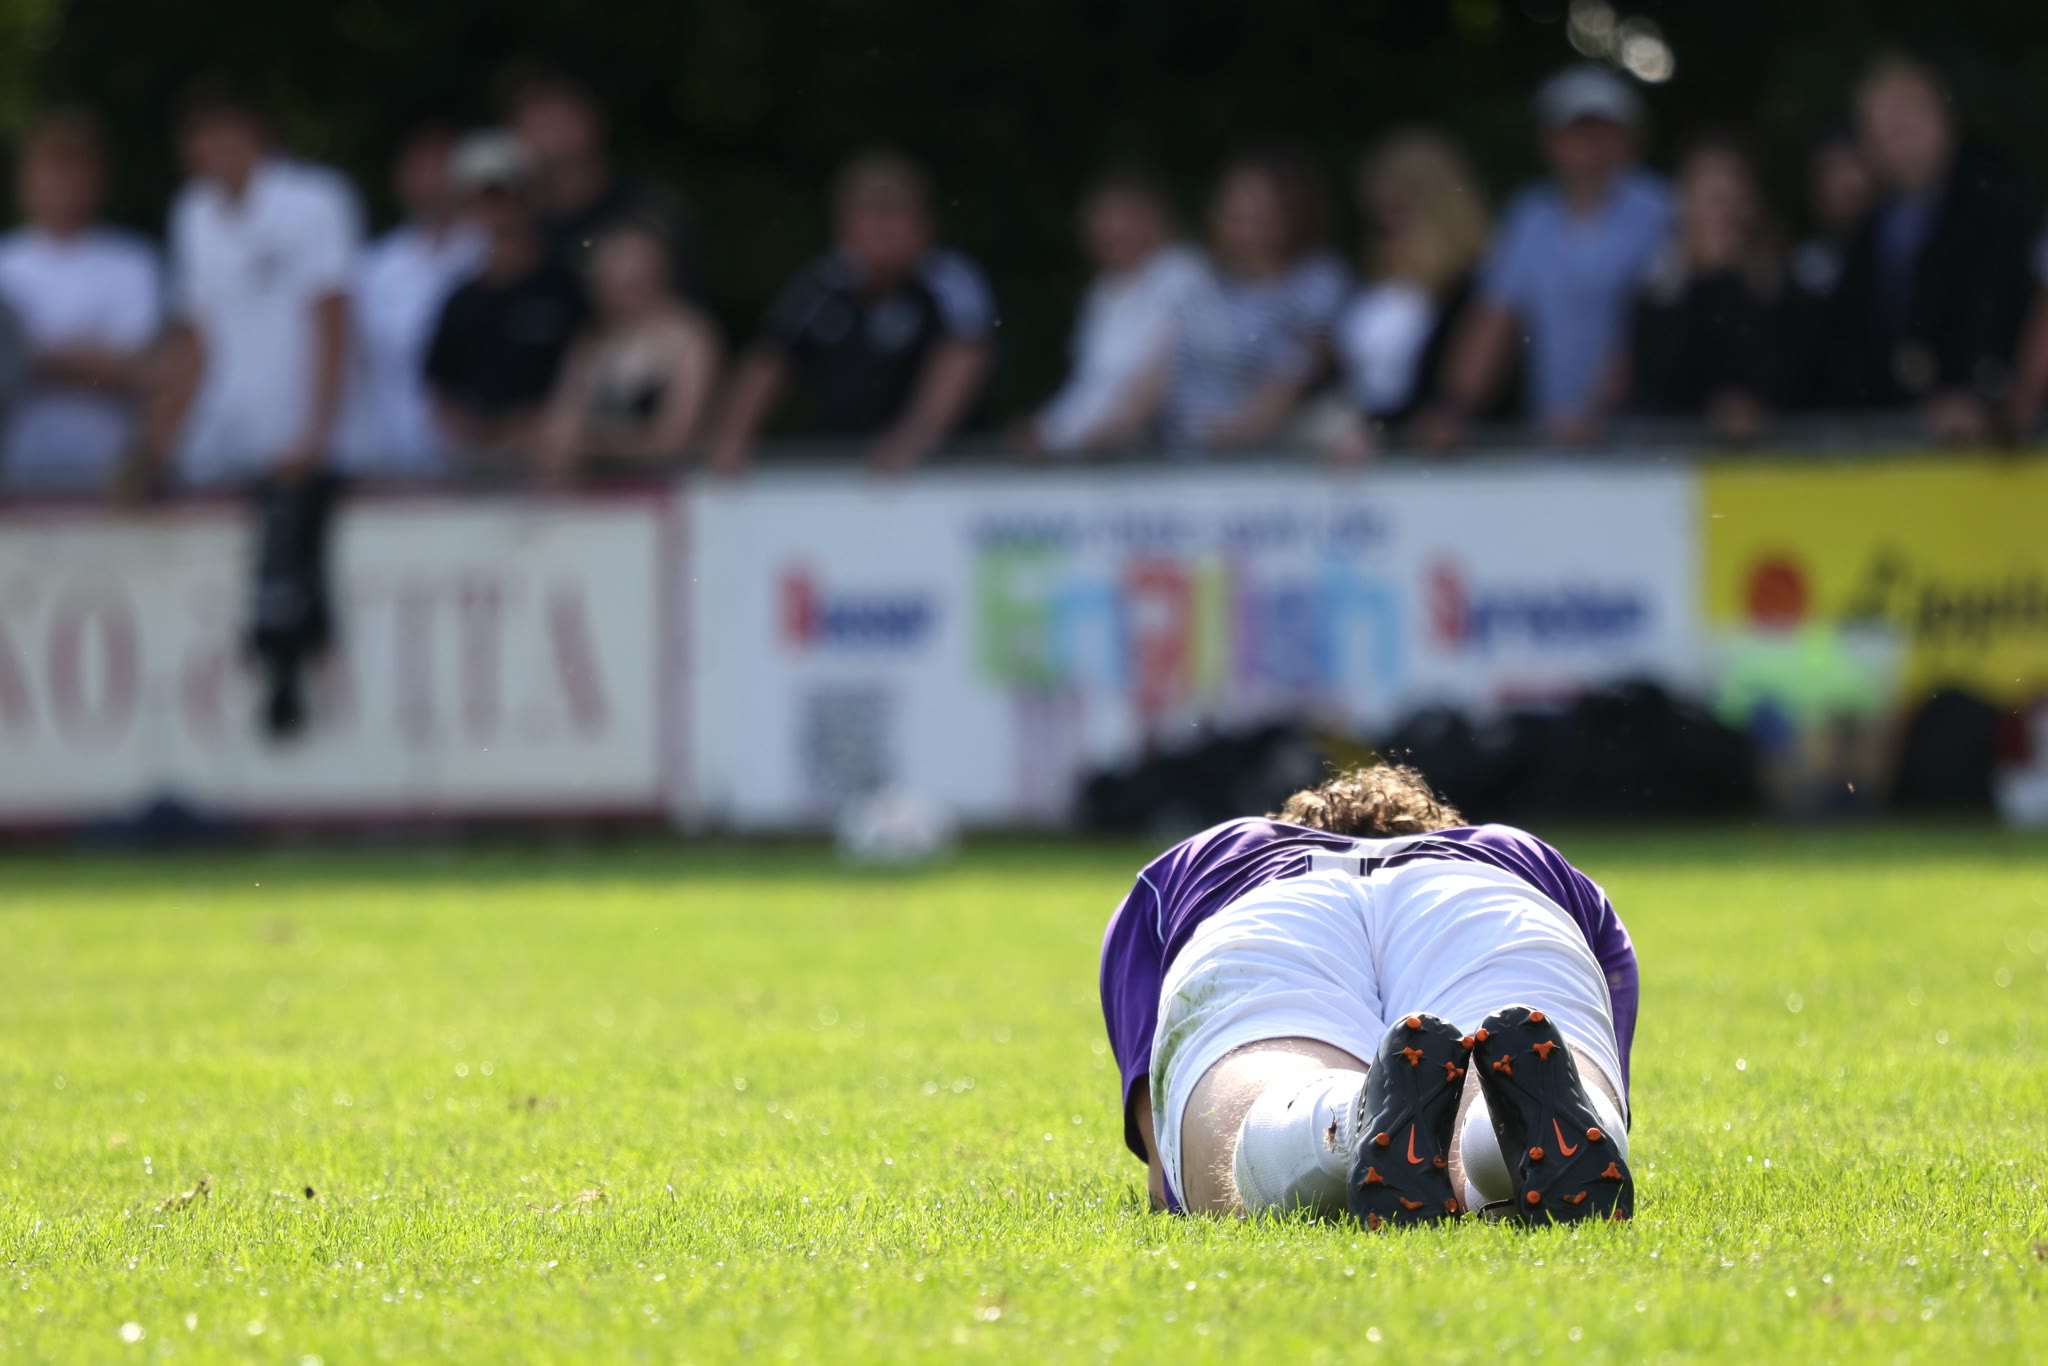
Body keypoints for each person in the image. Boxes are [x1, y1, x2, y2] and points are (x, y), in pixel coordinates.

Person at [1100, 764, 1636, 1226]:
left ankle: (1340, 1122)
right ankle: (1495, 1148)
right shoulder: (1524, 851)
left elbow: (1162, 1153)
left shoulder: (1204, 855)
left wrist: (1178, 1175)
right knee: (1521, 1084)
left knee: (1267, 1097)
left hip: (1266, 897)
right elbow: (1606, 1002)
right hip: (1483, 890)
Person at [1421, 64, 1671, 448]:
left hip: (1653, 445)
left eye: (1601, 130)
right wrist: (1454, 409)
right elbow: (1494, 321)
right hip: (1558, 438)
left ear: (1629, 138)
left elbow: (1652, 326)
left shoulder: (1661, 210)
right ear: (1549, 141)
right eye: (1576, 132)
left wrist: (1595, 413)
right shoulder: (1530, 218)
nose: (1589, 146)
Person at [705, 151, 994, 473]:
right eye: (870, 217)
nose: (882, 232)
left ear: (924, 224)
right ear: (842, 228)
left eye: (893, 216)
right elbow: (768, 359)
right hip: (836, 467)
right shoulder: (822, 284)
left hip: (940, 471)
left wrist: (916, 436)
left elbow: (962, 357)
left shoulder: (948, 279)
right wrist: (733, 433)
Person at [147, 81, 359, 489]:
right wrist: (159, 443)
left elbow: (334, 321)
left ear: (255, 132)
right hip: (224, 452)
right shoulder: (190, 213)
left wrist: (316, 438)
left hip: (309, 457)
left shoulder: (316, 200)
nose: (213, 145)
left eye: (223, 129)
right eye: (199, 134)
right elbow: (196, 337)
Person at [1814, 55, 2029, 441]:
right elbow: (1849, 338)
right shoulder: (1868, 230)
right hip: (1895, 436)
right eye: (1881, 130)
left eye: (1906, 122)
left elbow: (2001, 308)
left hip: (1989, 432)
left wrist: (1980, 392)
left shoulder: (1992, 204)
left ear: (1944, 121)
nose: (1897, 142)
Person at [0, 109, 161, 495]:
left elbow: (143, 371)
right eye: (49, 172)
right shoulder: (6, 262)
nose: (61, 186)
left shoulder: (132, 263)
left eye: (73, 172)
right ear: (24, 182)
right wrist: (83, 358)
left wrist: (30, 358)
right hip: (15, 471)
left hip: (111, 471)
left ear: (97, 181)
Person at [1155, 153, 1355, 451]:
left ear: (1290, 215)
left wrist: (1240, 431)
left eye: (1261, 217)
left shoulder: (1317, 279)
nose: (1247, 229)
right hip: (1185, 446)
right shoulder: (1195, 280)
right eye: (1237, 215)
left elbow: (1296, 368)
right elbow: (1158, 368)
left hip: (1278, 446)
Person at [1322, 131, 1491, 461]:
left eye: (1396, 210)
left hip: (1422, 450)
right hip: (1364, 444)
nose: (1385, 225)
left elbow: (1449, 390)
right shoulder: (1374, 278)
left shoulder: (1469, 285)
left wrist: (1381, 431)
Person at [422, 131, 587, 466]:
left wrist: (539, 427)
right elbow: (440, 388)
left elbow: (592, 366)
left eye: (501, 194)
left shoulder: (567, 286)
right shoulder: (460, 299)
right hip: (477, 468)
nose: (493, 209)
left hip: (560, 464)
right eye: (478, 198)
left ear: (530, 196)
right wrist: (477, 438)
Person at [1018, 166, 1204, 455]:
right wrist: (1046, 430)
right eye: (1101, 220)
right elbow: (1090, 386)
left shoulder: (1180, 276)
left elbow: (1161, 378)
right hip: (1093, 448)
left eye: (1121, 218)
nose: (1110, 229)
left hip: (1163, 450)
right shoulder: (1102, 290)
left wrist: (1090, 439)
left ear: (1151, 218)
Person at [339, 123, 486, 480]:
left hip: (480, 456)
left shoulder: (489, 253)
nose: (430, 184)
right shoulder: (373, 267)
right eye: (419, 171)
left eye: (440, 169)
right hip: (392, 456)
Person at [536, 215, 721, 482]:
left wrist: (588, 446)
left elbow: (676, 440)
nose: (619, 280)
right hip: (597, 491)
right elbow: (560, 425)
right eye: (611, 269)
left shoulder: (690, 337)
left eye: (632, 270)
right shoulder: (590, 344)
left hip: (672, 491)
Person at [1624, 138, 1788, 440]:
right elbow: (1655, 385)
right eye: (1708, 199)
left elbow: (1797, 378)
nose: (1719, 213)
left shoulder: (1782, 291)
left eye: (1728, 199)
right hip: (1677, 462)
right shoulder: (1657, 296)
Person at [503, 64, 705, 303]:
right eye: (533, 116)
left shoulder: (648, 209)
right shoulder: (507, 221)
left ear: (594, 119)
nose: (547, 131)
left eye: (558, 114)